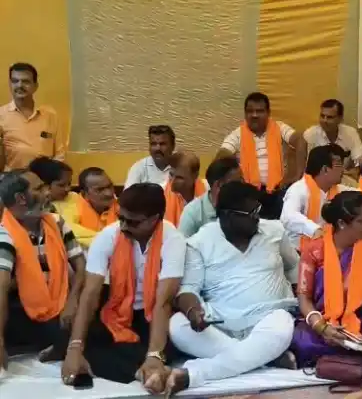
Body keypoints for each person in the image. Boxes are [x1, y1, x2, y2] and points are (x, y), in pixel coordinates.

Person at [165, 182, 299, 393]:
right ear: (227, 215)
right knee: (177, 325)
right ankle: (266, 358)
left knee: (282, 325)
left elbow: (293, 266)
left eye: (258, 210)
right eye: (250, 213)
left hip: (268, 317)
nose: (257, 217)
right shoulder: (200, 242)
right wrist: (193, 311)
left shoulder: (275, 231)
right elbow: (188, 289)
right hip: (219, 323)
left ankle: (195, 374)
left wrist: (303, 299)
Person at [61, 183, 186, 391]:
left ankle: (144, 366)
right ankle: (144, 373)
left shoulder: (173, 239)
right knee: (74, 334)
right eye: (121, 218)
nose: (124, 226)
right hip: (116, 310)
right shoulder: (108, 236)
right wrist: (74, 348)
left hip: (153, 313)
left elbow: (163, 302)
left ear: (154, 219)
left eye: (133, 221)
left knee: (173, 342)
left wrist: (154, 354)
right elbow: (90, 294)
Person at [292, 191, 362, 367]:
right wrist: (322, 327)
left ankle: (342, 354)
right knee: (303, 341)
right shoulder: (314, 250)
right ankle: (357, 353)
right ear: (341, 223)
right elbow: (304, 297)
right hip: (324, 319)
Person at [0, 170, 86, 367]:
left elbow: (81, 267)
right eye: (39, 188)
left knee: (93, 310)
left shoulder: (56, 222)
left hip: (60, 304)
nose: (47, 192)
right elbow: (1, 287)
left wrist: (72, 301)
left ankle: (54, 343)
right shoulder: (4, 234)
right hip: (22, 309)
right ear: (21, 198)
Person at [217, 92, 307, 193]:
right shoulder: (238, 134)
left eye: (259, 111)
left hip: (279, 189)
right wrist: (235, 173)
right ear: (245, 114)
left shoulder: (279, 128)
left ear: (268, 113)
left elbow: (300, 141)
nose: (254, 115)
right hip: (248, 192)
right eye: (250, 111)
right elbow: (222, 154)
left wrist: (298, 175)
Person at [281, 145, 349, 250]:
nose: (343, 170)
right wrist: (315, 230)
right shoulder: (298, 190)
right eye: (339, 165)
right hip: (298, 252)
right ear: (325, 169)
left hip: (328, 249)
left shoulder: (339, 190)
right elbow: (288, 216)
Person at [0, 63, 66, 171]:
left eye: (25, 81)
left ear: (35, 86)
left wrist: (51, 177)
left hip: (44, 179)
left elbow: (60, 154)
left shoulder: (50, 115)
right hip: (13, 179)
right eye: (15, 81)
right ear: (10, 84)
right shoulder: (1, 115)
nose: (19, 85)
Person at [178, 156, 242, 238]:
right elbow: (182, 244)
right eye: (237, 182)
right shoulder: (192, 213)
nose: (242, 185)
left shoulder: (243, 207)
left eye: (242, 180)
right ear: (219, 184)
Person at [55, 167, 118, 248]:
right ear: (84, 194)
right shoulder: (72, 211)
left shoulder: (123, 207)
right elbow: (68, 232)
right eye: (100, 190)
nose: (109, 193)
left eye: (110, 186)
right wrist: (104, 240)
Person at [303, 99, 362, 172]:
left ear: (340, 119)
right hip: (318, 176)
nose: (324, 120)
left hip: (344, 175)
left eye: (329, 117)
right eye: (322, 116)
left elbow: (360, 163)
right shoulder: (310, 134)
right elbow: (308, 167)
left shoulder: (351, 133)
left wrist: (351, 172)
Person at [163, 151, 207, 227]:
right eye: (171, 174)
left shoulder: (208, 189)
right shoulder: (161, 193)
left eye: (179, 178)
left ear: (195, 176)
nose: (172, 181)